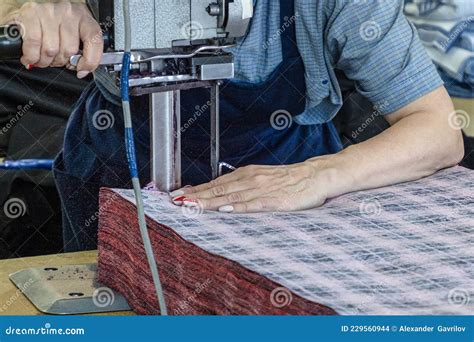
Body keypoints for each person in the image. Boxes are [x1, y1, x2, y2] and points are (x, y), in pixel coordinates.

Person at [1, 0, 465, 252]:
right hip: (115, 168)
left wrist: (321, 174)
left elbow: (437, 129)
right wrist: (26, 7)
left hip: (284, 181)